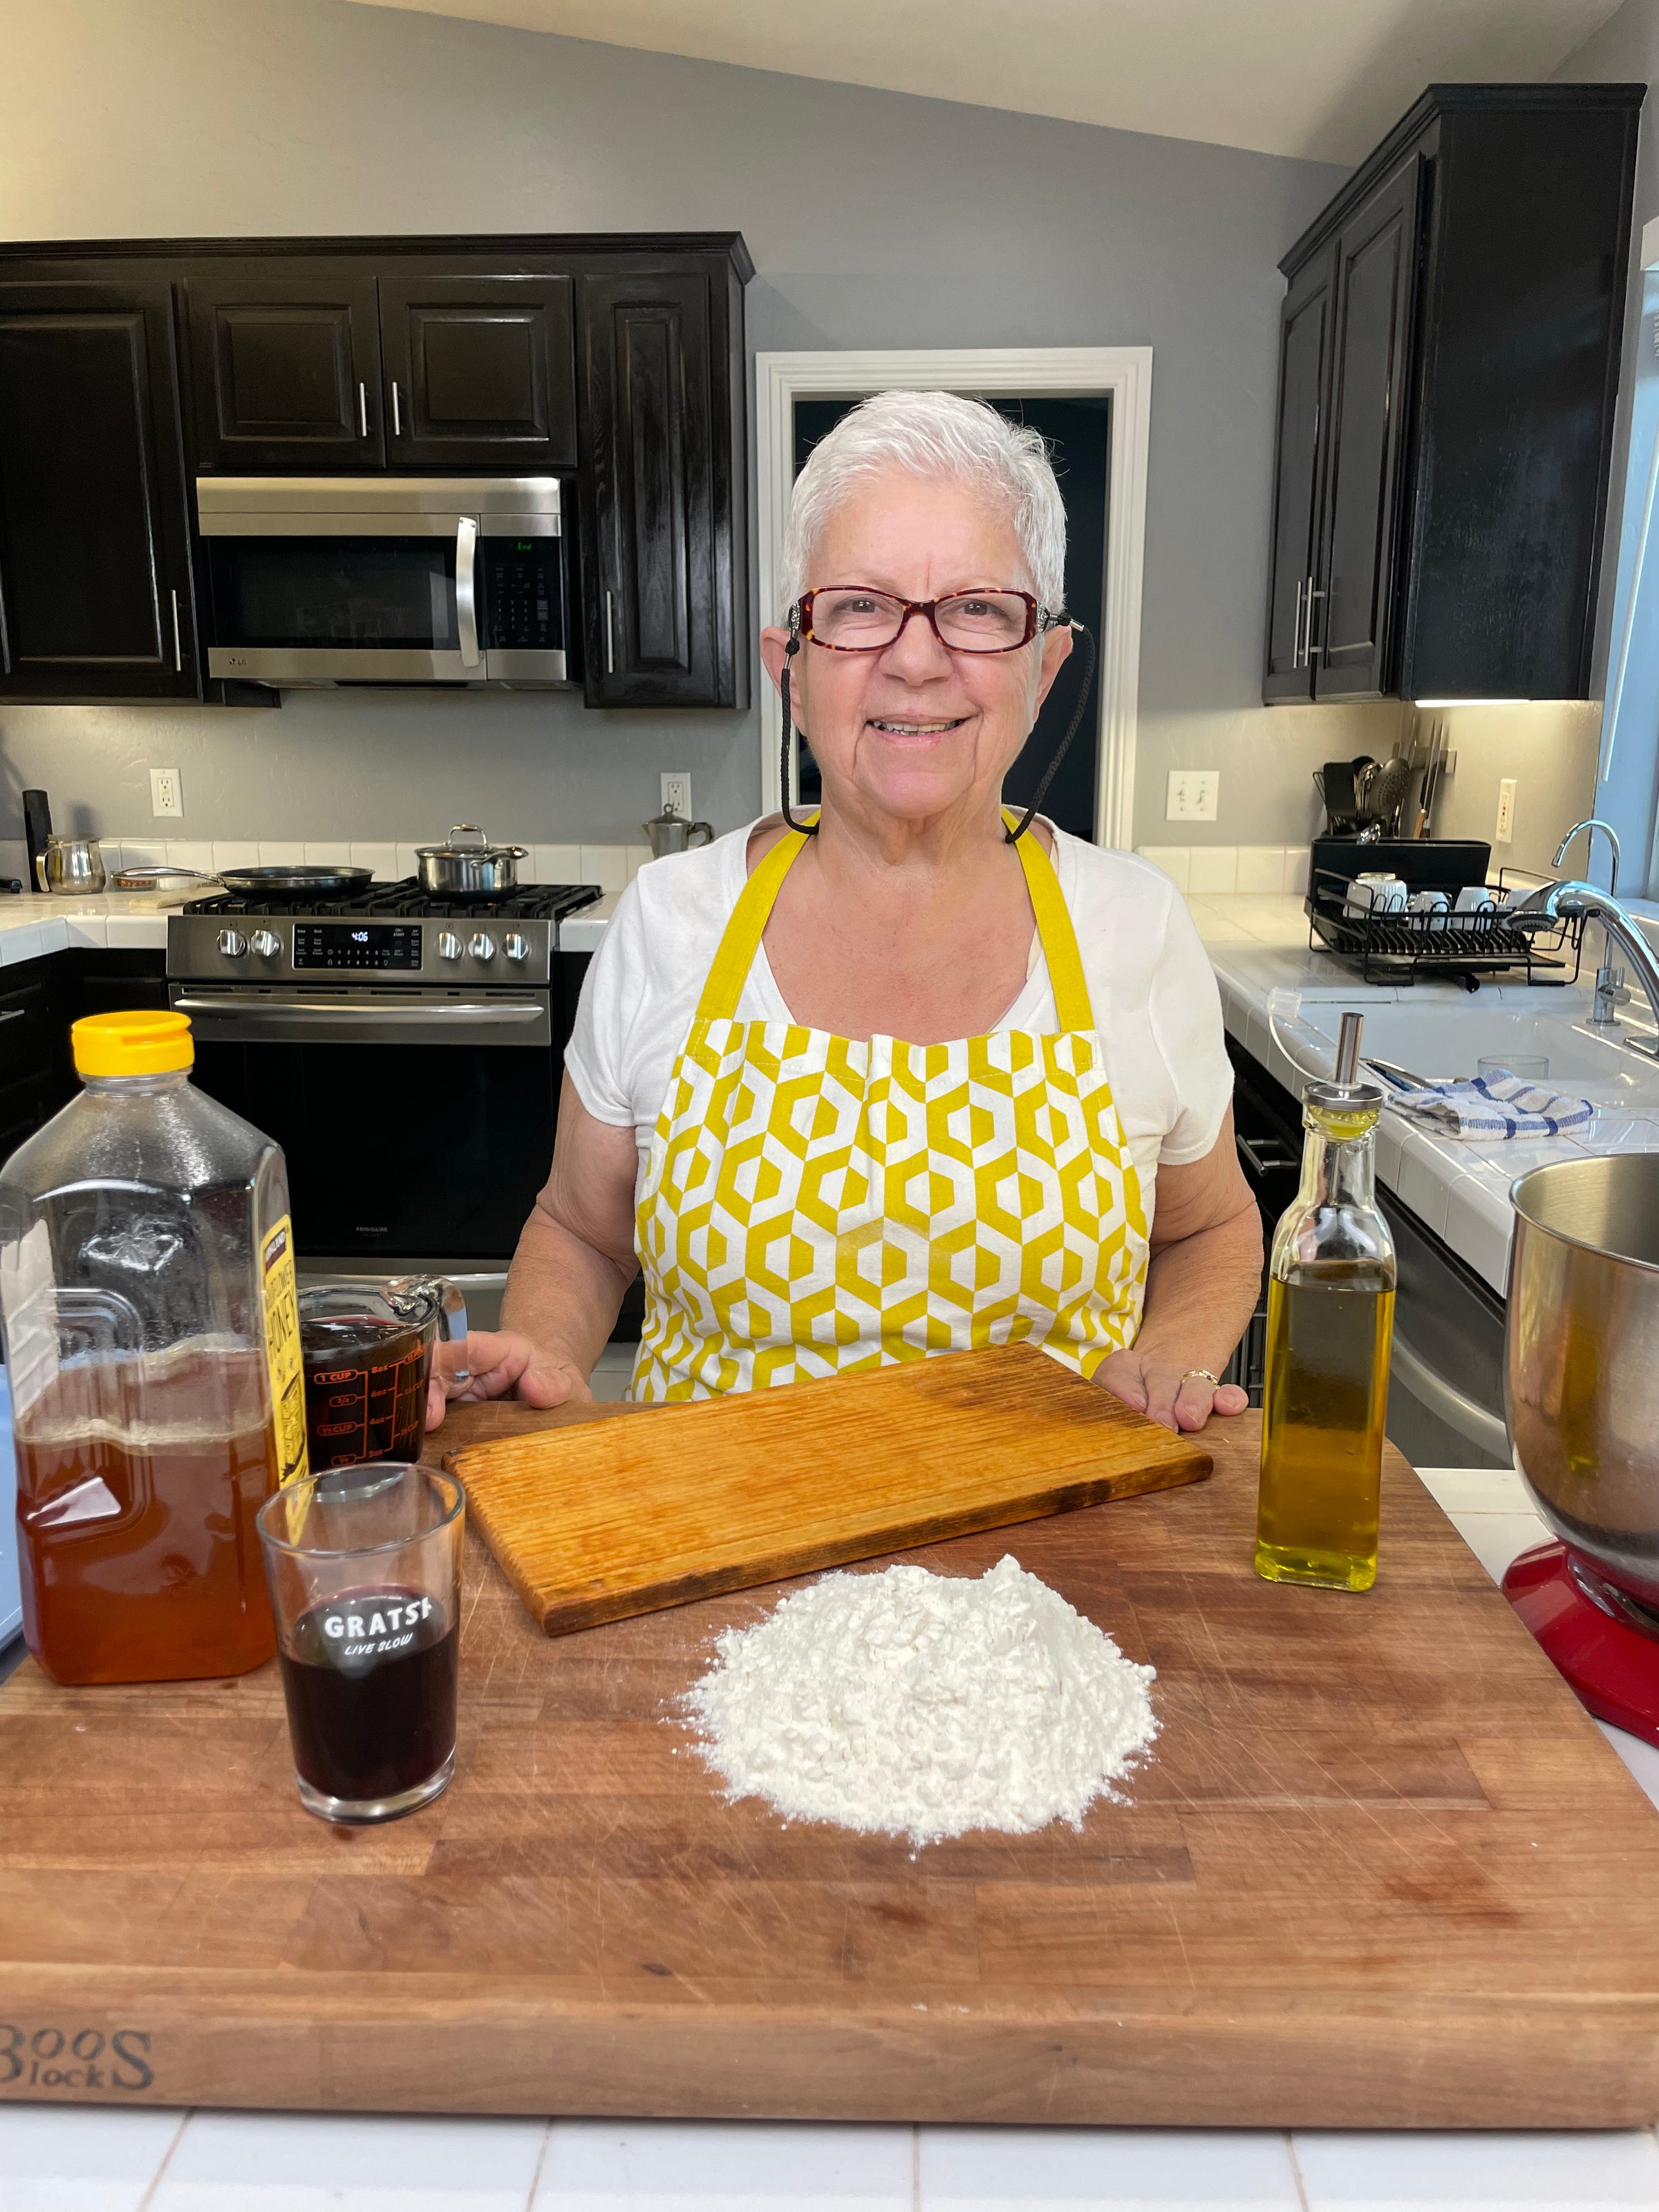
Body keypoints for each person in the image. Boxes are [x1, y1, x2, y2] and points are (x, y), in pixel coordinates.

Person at [431, 391, 1260, 1436]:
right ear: (795, 666)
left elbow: (1213, 1228)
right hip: (708, 1550)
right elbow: (585, 1233)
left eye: (978, 608)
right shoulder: (671, 917)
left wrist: (1166, 1368)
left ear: (1044, 668)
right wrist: (546, 1355)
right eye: (862, 606)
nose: (916, 661)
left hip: (1051, 1559)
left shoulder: (1134, 928)